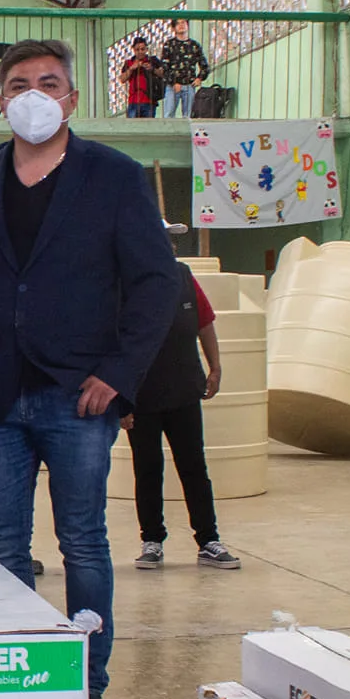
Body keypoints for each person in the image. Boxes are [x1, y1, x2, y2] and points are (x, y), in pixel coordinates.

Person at [0, 40, 180, 699]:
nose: (34, 94)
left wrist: (121, 373)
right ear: (3, 99)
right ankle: (17, 679)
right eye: (18, 84)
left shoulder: (115, 175)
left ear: (72, 98)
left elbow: (156, 282)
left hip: (80, 395)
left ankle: (86, 687)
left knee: (83, 543)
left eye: (49, 82)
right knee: (4, 545)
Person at [126, 225, 240, 570]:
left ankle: (208, 540)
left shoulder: (184, 276)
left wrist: (215, 367)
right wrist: (120, 398)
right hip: (141, 395)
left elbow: (205, 323)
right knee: (148, 469)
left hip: (184, 391)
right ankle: (152, 541)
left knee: (193, 467)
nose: (169, 245)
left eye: (171, 240)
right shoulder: (124, 281)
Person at [159, 19, 209, 119]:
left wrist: (200, 78)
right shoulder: (169, 45)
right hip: (172, 86)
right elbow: (164, 67)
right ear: (173, 28)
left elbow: (204, 65)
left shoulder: (194, 45)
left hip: (189, 85)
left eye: (183, 23)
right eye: (178, 23)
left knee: (189, 116)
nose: (181, 25)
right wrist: (173, 82)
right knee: (168, 115)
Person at [121, 37, 161, 119]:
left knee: (148, 128)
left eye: (142, 49)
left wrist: (152, 69)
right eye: (137, 50)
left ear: (146, 49)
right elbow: (122, 79)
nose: (140, 52)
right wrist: (131, 68)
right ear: (133, 50)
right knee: (132, 128)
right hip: (133, 102)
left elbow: (163, 73)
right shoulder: (129, 62)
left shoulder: (153, 60)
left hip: (149, 101)